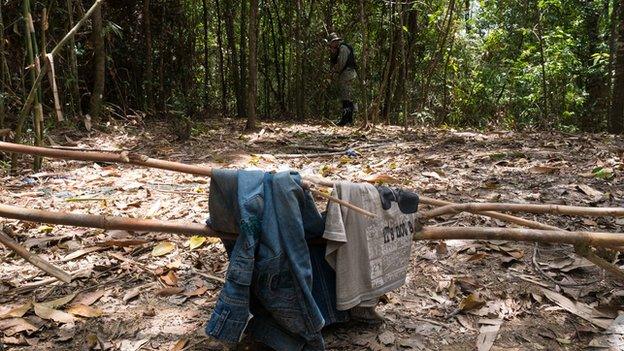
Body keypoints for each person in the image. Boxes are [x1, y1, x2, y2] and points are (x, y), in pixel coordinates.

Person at [327, 33, 357, 126]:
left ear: (335, 42)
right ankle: (348, 120)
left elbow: (341, 64)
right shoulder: (339, 49)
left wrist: (334, 72)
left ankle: (346, 120)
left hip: (348, 74)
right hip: (346, 74)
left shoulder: (343, 48)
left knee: (346, 97)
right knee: (347, 96)